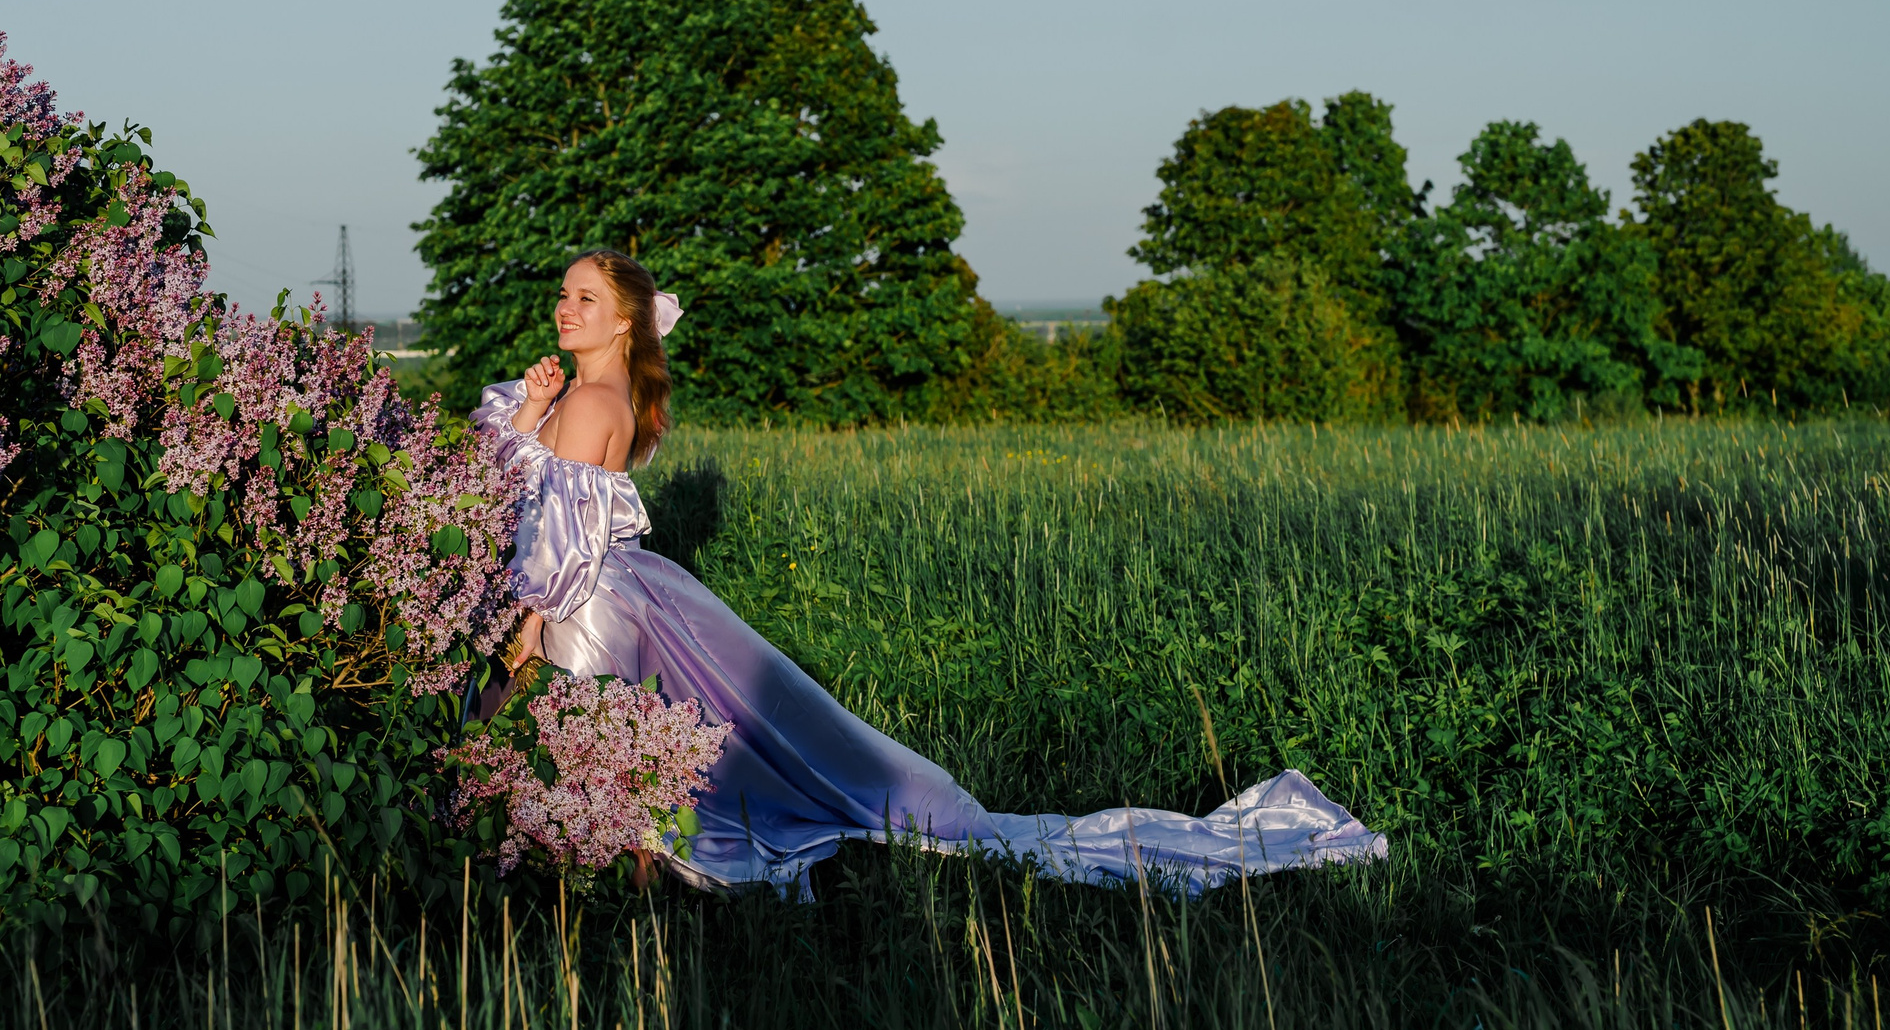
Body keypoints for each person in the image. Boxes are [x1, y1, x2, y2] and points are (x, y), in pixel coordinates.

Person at [471, 249, 1388, 895]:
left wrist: (516, 630)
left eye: (583, 297)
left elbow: (553, 542)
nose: (564, 307)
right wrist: (530, 410)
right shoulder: (576, 393)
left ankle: (604, 894)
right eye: (563, 294)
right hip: (607, 595)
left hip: (587, 602)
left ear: (623, 318)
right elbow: (515, 491)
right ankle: (599, 883)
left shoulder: (597, 397)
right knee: (616, 747)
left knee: (591, 738)